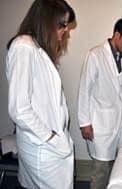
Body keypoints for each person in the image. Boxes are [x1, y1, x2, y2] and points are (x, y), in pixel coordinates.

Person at [5, 0, 76, 188]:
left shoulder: (37, 48)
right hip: (42, 146)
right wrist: (51, 138)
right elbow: (19, 109)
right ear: (46, 20)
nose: (66, 30)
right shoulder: (24, 47)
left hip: (48, 144)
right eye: (63, 24)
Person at [78, 18, 122, 188]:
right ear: (117, 35)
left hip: (121, 120)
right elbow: (84, 90)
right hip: (101, 123)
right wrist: (84, 123)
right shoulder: (95, 55)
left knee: (117, 169)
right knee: (101, 171)